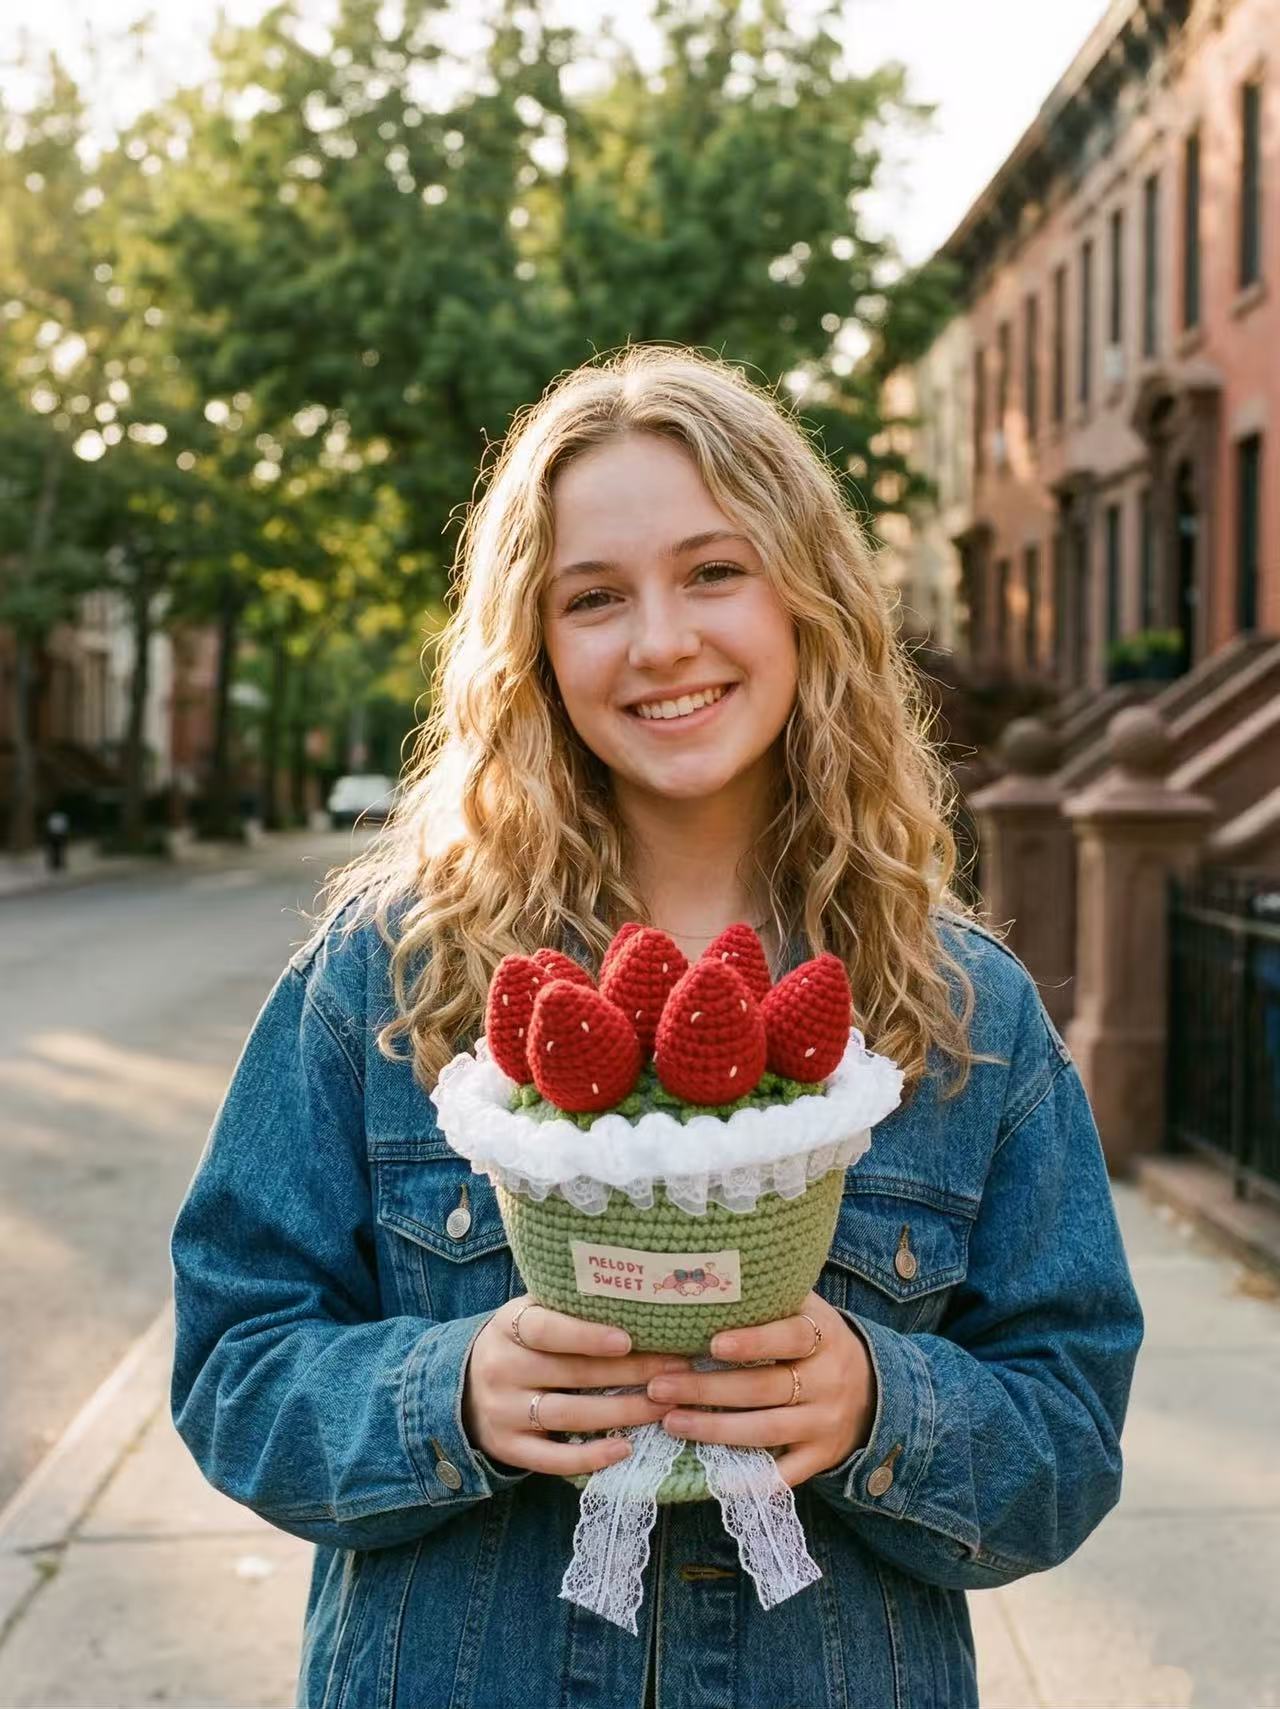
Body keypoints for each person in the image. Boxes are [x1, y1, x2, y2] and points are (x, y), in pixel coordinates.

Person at [170, 344, 1144, 1708]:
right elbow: (233, 1363)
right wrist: (449, 1392)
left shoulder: (963, 1009)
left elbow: (1069, 1431)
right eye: (593, 597)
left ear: (807, 596)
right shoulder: (389, 979)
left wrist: (883, 1404)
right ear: (533, 645)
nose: (661, 640)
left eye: (714, 571)